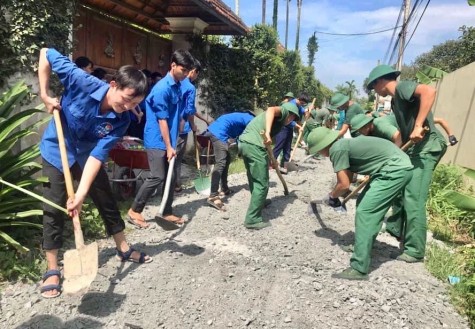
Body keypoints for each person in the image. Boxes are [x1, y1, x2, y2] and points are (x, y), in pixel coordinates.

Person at [38, 48, 151, 298]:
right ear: (113, 84)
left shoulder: (122, 120)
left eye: (135, 103)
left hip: (86, 155)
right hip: (57, 148)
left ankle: (122, 247)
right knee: (54, 204)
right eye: (127, 98)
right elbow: (45, 53)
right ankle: (53, 267)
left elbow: (97, 156)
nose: (128, 106)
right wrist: (45, 94)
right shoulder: (81, 80)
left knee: (105, 197)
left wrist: (80, 194)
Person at [307, 127, 413, 280]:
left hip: (393, 170)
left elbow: (343, 185)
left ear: (322, 146)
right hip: (394, 168)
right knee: (364, 204)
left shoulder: (337, 149)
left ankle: (359, 267)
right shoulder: (343, 145)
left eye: (318, 150)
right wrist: (336, 195)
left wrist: (331, 196)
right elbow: (348, 180)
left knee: (366, 212)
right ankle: (362, 245)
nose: (320, 154)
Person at [366, 64, 447, 263]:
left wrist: (419, 125)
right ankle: (396, 229)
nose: (374, 91)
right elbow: (402, 135)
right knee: (402, 188)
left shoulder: (401, 88)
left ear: (380, 81)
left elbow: (429, 91)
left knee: (414, 197)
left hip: (426, 149)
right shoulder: (396, 102)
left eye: (373, 86)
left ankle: (415, 249)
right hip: (415, 149)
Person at [127, 49, 195, 228]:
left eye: (188, 71)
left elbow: (178, 113)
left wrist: (179, 132)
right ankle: (135, 210)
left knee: (171, 177)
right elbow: (162, 120)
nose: (186, 74)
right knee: (157, 176)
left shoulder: (179, 85)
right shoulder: (162, 89)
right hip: (157, 140)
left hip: (170, 139)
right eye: (183, 70)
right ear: (173, 65)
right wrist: (169, 146)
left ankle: (166, 211)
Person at [238, 102, 300, 229]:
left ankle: (260, 202)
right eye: (293, 117)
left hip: (245, 143)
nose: (292, 120)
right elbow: (271, 109)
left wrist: (271, 159)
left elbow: (267, 144)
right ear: (290, 115)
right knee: (262, 183)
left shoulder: (277, 123)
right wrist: (267, 133)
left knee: (253, 177)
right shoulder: (283, 112)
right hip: (254, 145)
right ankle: (252, 219)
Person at [205, 111, 255, 211]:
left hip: (218, 131)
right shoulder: (251, 120)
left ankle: (224, 188)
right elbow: (248, 138)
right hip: (219, 133)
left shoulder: (243, 118)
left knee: (226, 160)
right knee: (221, 163)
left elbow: (240, 138)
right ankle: (213, 195)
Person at [175, 59, 207, 193]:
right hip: (182, 128)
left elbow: (191, 109)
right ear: (193, 71)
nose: (196, 77)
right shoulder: (190, 87)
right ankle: (175, 185)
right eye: (197, 74)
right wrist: (193, 125)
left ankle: (167, 183)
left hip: (170, 126)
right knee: (177, 158)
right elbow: (189, 111)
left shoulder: (176, 82)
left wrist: (203, 119)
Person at [272, 93, 311, 173]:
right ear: (299, 99)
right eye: (302, 103)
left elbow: (302, 111)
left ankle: (285, 166)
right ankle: (271, 163)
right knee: (279, 146)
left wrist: (306, 112)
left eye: (304, 104)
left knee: (287, 147)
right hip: (282, 127)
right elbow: (286, 120)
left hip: (289, 129)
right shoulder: (290, 105)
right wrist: (298, 126)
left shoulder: (299, 105)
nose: (302, 105)